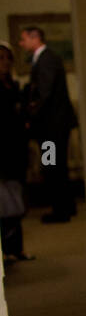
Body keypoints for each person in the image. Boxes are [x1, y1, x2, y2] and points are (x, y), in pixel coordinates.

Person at [17, 26, 78, 223]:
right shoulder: (44, 59)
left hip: (52, 127)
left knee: (53, 166)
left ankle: (60, 210)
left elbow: (44, 93)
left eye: (24, 39)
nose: (21, 43)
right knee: (56, 166)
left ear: (35, 39)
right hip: (53, 126)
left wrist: (30, 118)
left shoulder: (46, 60)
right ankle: (66, 206)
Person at [0, 41, 31, 263]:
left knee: (17, 198)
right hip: (1, 150)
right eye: (0, 58)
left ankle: (17, 248)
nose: (5, 63)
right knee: (3, 202)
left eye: (7, 58)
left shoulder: (15, 86)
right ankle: (5, 250)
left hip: (17, 148)